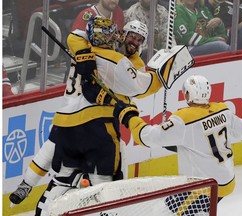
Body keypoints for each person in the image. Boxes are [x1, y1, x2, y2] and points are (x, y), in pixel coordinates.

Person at [8, 19, 151, 207]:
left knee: (52, 148)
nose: (135, 41)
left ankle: (28, 184)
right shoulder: (108, 54)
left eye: (140, 39)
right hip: (91, 117)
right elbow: (77, 36)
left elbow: (77, 36)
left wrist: (85, 55)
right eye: (132, 36)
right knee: (110, 163)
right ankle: (115, 197)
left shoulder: (113, 55)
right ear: (123, 34)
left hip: (73, 115)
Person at [113, 74, 242, 208]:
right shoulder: (223, 110)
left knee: (167, 211)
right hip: (225, 181)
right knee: (171, 206)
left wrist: (129, 117)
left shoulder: (184, 120)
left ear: (188, 94)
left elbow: (146, 137)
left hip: (203, 188)